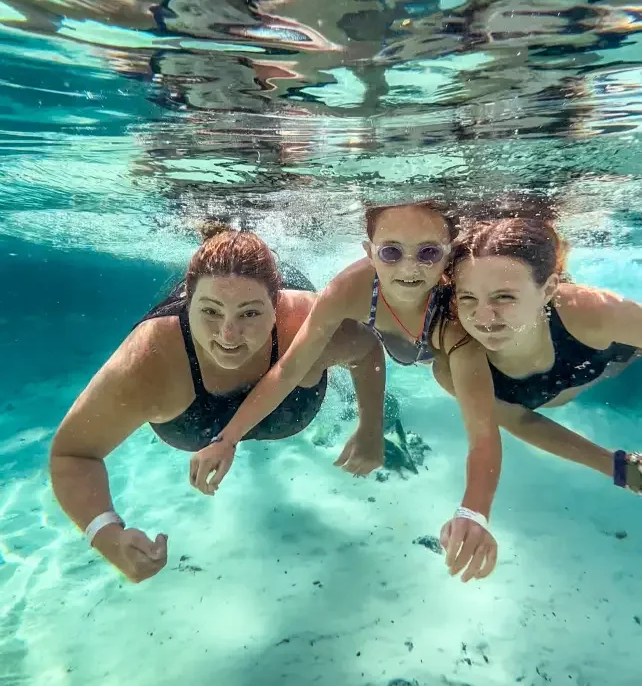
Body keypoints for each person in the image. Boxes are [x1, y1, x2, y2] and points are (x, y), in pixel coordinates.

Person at [187, 200, 503, 584]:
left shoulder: (455, 321)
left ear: (449, 253)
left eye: (428, 253)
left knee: (458, 383)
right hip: (401, 340)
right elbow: (289, 369)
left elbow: (482, 434)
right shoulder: (350, 289)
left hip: (443, 353)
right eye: (391, 252)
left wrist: (473, 513)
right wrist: (227, 439)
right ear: (369, 251)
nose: (409, 268)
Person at [50, 223, 386, 583]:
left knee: (316, 348)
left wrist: (371, 427)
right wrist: (107, 536)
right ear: (187, 302)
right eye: (210, 312)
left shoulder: (304, 322)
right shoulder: (150, 359)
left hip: (282, 315)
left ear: (276, 307)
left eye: (250, 314)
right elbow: (72, 455)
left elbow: (366, 350)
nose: (228, 335)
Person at [435, 215, 642, 491]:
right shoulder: (455, 367)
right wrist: (618, 467)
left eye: (504, 296)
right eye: (468, 298)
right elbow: (521, 420)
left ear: (548, 290)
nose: (483, 317)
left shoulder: (586, 311)